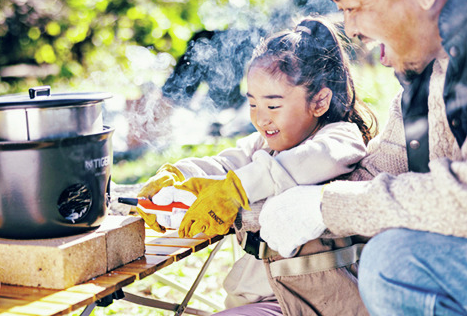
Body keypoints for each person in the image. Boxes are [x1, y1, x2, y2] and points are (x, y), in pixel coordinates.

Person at [258, 0, 467, 315]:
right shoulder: (432, 67)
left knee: (398, 263)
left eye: (352, 7)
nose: (350, 30)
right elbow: (379, 178)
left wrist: (325, 206)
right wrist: (255, 202)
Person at [137, 16, 376, 315]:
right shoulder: (262, 145)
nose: (261, 118)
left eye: (273, 105)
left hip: (311, 304)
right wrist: (179, 174)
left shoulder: (341, 137)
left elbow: (314, 159)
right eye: (253, 104)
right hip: (262, 300)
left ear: (319, 102)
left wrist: (239, 188)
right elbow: (225, 163)